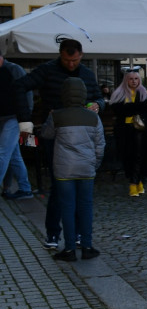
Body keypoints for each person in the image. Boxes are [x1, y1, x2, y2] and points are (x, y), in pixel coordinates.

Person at [14, 39, 103, 248]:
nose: (70, 64)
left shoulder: (88, 74)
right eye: (66, 60)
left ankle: (80, 234)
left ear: (81, 55)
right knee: (58, 186)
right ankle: (53, 234)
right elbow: (19, 87)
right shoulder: (47, 70)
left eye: (74, 60)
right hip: (55, 135)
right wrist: (25, 122)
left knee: (80, 187)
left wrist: (97, 105)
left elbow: (98, 97)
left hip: (82, 136)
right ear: (60, 55)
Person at [39, 78, 104, 261]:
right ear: (83, 94)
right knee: (85, 207)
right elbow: (100, 145)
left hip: (64, 170)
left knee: (67, 208)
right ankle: (87, 246)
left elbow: (46, 134)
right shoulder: (93, 117)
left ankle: (68, 249)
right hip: (86, 168)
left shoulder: (57, 116)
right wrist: (94, 164)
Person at [108, 68, 147, 197]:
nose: (134, 81)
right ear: (126, 80)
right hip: (124, 130)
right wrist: (134, 108)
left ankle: (135, 182)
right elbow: (117, 109)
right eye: (131, 79)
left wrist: (130, 108)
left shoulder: (143, 92)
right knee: (128, 155)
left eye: (136, 79)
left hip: (139, 130)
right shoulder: (119, 93)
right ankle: (135, 180)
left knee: (139, 155)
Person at [0, 52, 34, 200]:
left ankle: (24, 189)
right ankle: (25, 188)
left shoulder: (13, 69)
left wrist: (26, 118)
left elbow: (27, 93)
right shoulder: (12, 70)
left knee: (3, 152)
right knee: (13, 155)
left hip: (15, 117)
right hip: (9, 117)